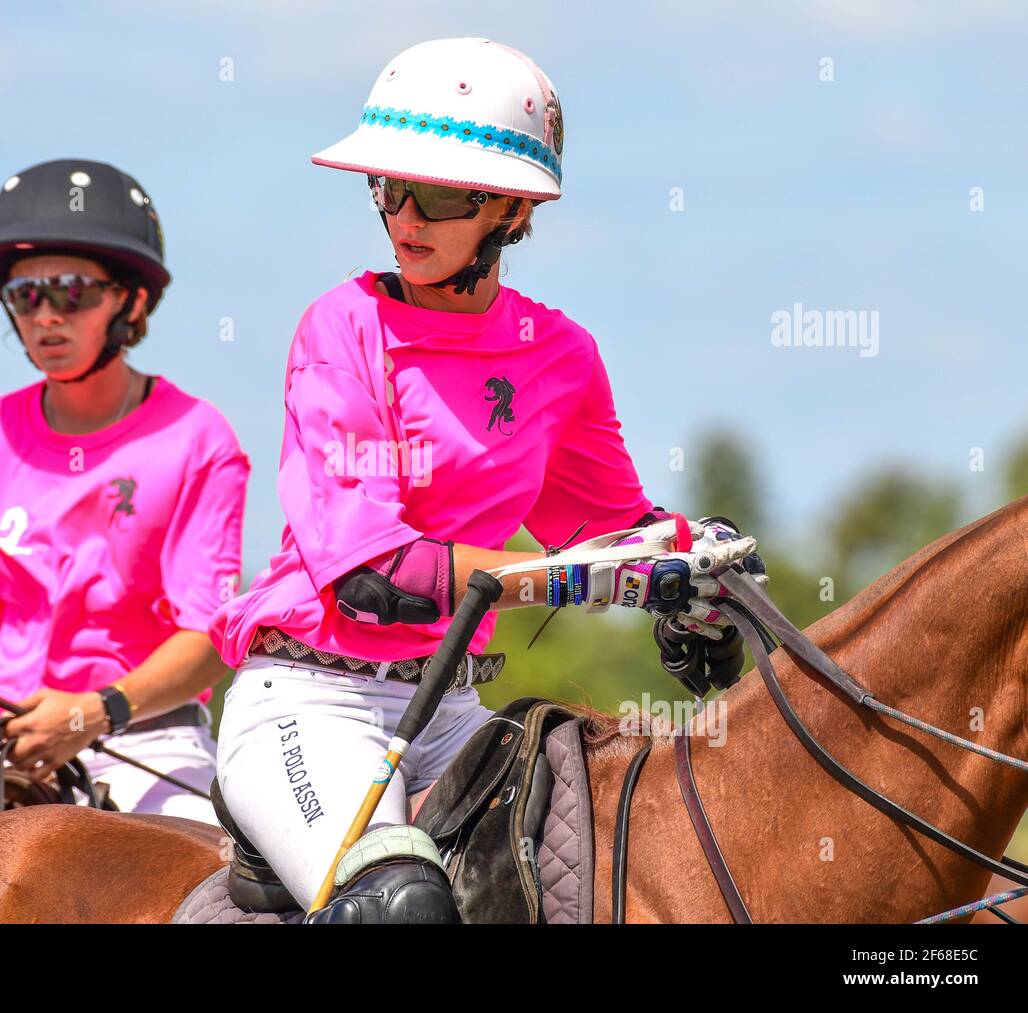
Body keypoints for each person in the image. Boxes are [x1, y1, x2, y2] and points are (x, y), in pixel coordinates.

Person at [210, 38, 756, 921]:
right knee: (402, 911)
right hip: (312, 703)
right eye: (388, 187)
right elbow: (374, 576)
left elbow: (611, 527)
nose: (404, 217)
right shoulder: (341, 328)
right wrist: (579, 575)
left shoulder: (564, 356)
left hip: (454, 704)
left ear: (507, 207)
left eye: (435, 193)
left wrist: (703, 575)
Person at [0, 158, 248, 825]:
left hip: (146, 739)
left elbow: (208, 634)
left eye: (71, 291)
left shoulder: (199, 438)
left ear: (133, 300)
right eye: (25, 294)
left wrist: (93, 711)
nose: (46, 317)